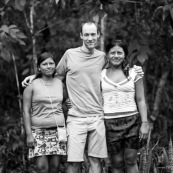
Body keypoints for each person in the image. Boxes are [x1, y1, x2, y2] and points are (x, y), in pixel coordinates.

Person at [22, 20, 144, 173]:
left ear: (98, 35)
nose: (90, 38)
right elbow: (55, 76)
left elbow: (118, 64)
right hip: (75, 118)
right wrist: (35, 77)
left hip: (98, 117)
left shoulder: (103, 58)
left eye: (93, 34)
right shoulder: (70, 54)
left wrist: (136, 68)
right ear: (81, 35)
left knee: (95, 161)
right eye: (86, 35)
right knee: (73, 162)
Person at [101, 40, 149, 173]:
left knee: (131, 160)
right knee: (116, 163)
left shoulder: (134, 73)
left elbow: (141, 100)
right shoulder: (101, 75)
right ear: (107, 54)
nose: (116, 56)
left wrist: (144, 123)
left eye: (119, 53)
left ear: (125, 55)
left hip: (131, 122)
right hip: (110, 123)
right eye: (112, 53)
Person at [23, 52, 67, 173]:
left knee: (55, 168)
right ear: (39, 67)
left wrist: (68, 104)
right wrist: (28, 135)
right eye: (45, 64)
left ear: (55, 65)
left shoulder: (60, 84)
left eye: (51, 63)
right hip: (38, 132)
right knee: (42, 169)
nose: (48, 66)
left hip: (58, 131)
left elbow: (65, 103)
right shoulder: (31, 86)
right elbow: (26, 111)